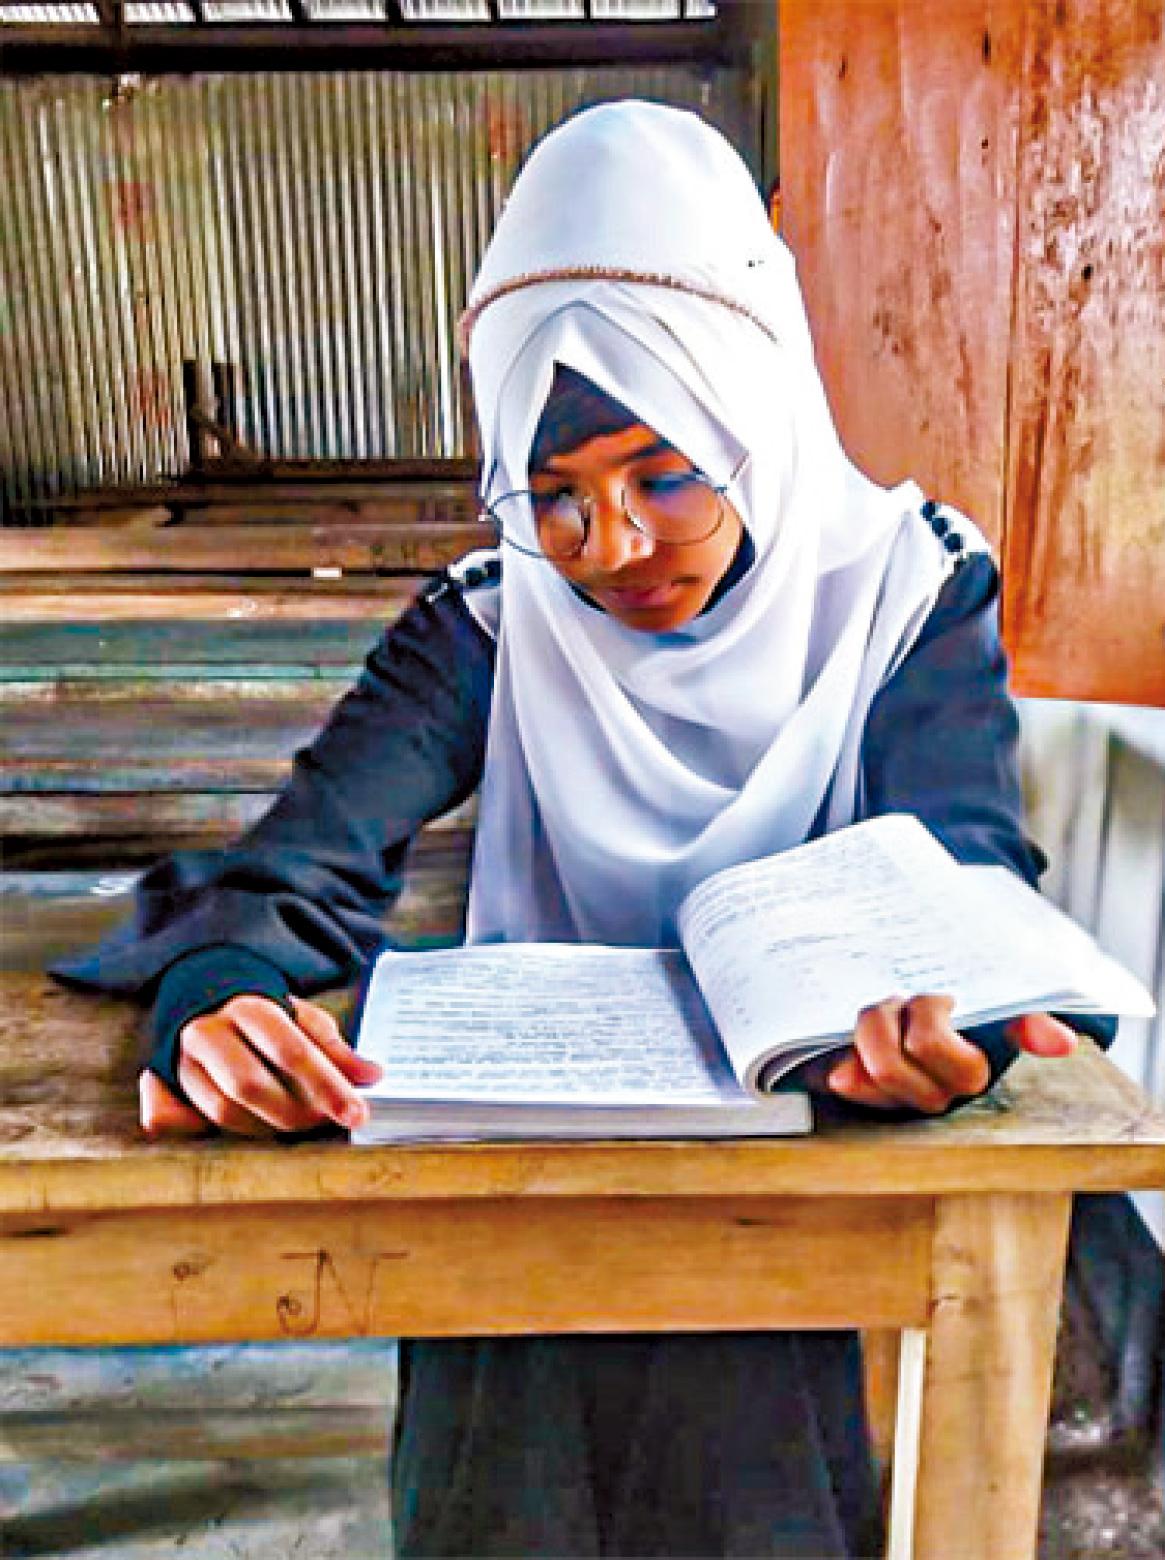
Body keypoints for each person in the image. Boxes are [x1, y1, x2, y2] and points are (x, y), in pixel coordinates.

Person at [52, 101, 1109, 1557]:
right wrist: (223, 991)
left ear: (751, 406)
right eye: (552, 494)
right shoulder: (498, 614)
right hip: (516, 1184)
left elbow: (962, 865)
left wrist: (950, 1022)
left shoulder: (904, 593)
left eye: (661, 473)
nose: (608, 548)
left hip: (774, 1199)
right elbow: (297, 861)